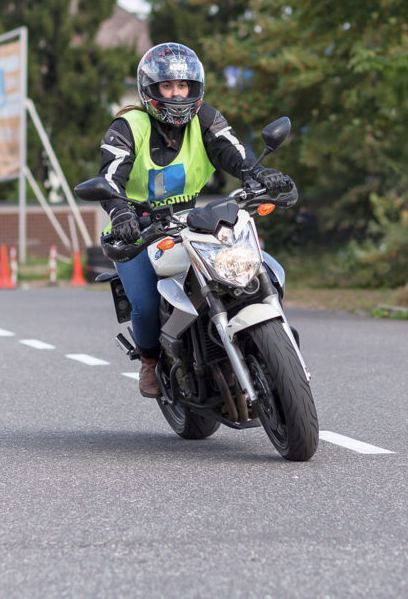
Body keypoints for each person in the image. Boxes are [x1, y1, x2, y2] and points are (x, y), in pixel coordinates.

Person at [97, 42, 291, 398]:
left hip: (191, 217)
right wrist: (120, 212)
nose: (176, 94)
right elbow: (110, 177)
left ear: (195, 88)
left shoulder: (205, 118)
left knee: (245, 268)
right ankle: (151, 362)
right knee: (143, 304)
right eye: (168, 86)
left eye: (183, 86)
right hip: (137, 227)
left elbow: (233, 151)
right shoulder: (129, 126)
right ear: (150, 90)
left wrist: (259, 174)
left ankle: (266, 342)